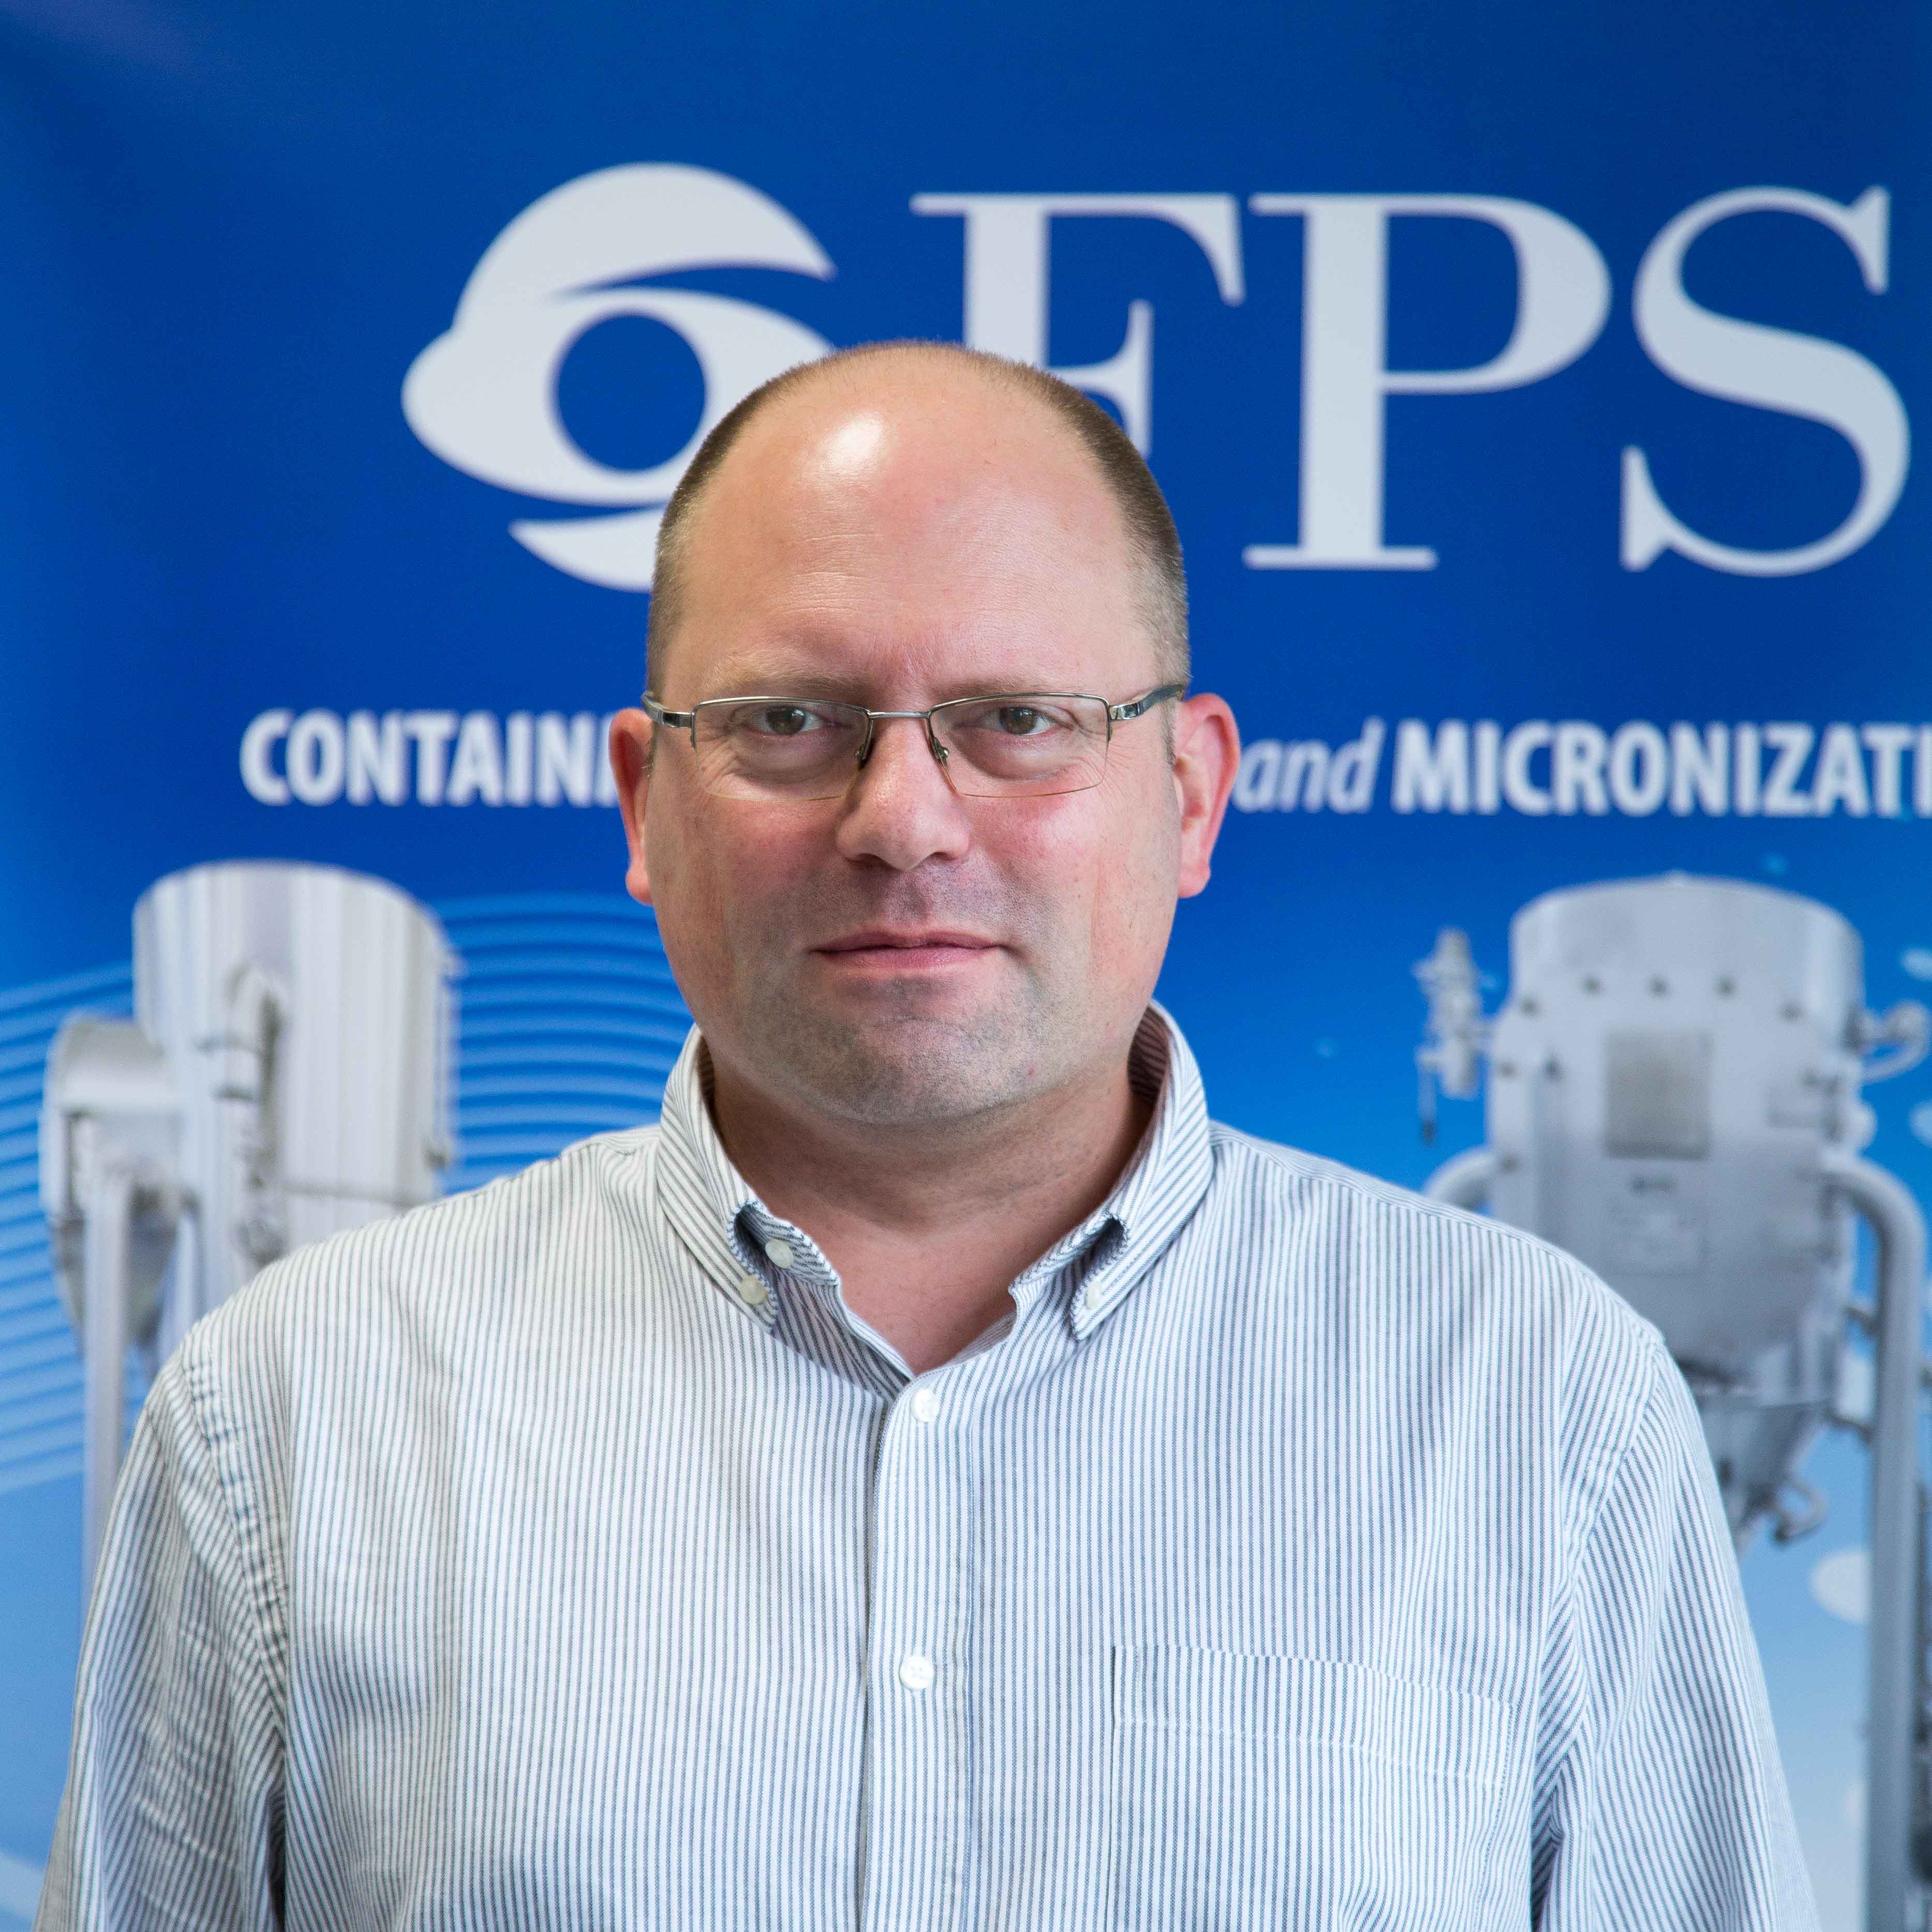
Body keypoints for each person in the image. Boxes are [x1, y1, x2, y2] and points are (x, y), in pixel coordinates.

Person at [40, 342, 1815, 1930]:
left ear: (1191, 793)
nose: (901, 819)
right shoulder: (299, 1411)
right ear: (646, 803)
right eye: (787, 723)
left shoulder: (1533, 1405)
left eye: (1018, 722)